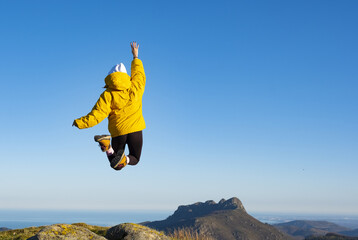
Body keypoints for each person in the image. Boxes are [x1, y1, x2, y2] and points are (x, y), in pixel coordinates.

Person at [72, 42, 146, 171]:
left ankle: (107, 145)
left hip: (118, 131)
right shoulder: (135, 87)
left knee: (116, 164)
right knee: (134, 157)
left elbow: (97, 114)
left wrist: (80, 122)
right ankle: (120, 155)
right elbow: (139, 75)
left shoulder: (107, 94)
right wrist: (135, 57)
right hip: (135, 129)